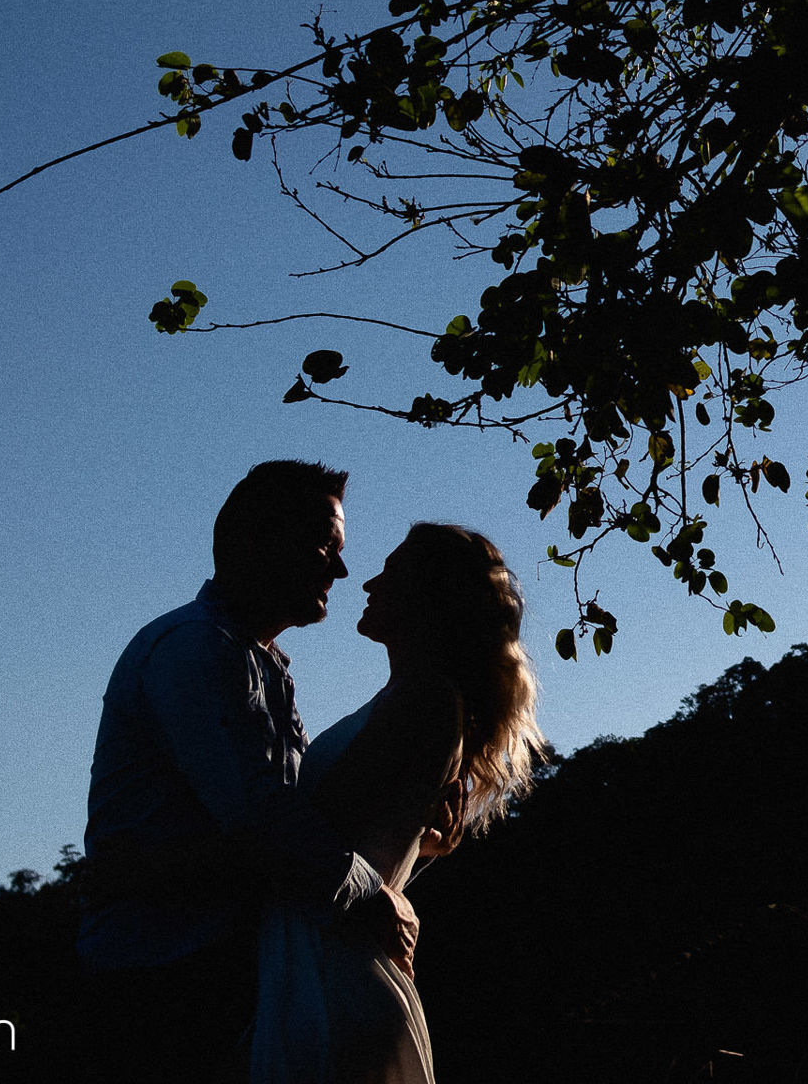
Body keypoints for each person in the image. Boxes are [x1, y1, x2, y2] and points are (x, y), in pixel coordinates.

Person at [80, 461, 415, 1083]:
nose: (339, 570)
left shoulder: (257, 662)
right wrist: (370, 894)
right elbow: (261, 821)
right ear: (254, 540)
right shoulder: (193, 650)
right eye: (325, 546)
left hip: (221, 978)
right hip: (162, 980)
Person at [250, 522, 544, 1084]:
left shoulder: (425, 699)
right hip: (325, 956)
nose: (367, 583)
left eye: (392, 571)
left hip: (332, 967)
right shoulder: (412, 700)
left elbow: (308, 834)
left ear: (431, 596)